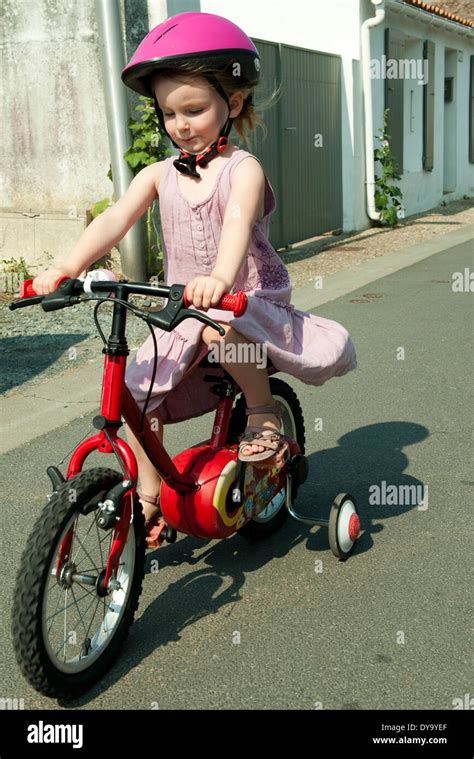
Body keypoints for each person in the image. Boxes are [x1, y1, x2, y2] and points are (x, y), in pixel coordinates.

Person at [32, 11, 357, 532]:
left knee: (222, 326)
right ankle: (149, 495)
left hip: (244, 300)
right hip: (184, 307)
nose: (180, 125)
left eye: (194, 109)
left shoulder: (241, 168)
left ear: (232, 103)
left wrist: (221, 280)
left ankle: (262, 412)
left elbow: (234, 224)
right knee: (134, 390)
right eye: (168, 113)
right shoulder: (158, 173)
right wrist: (67, 266)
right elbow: (116, 218)